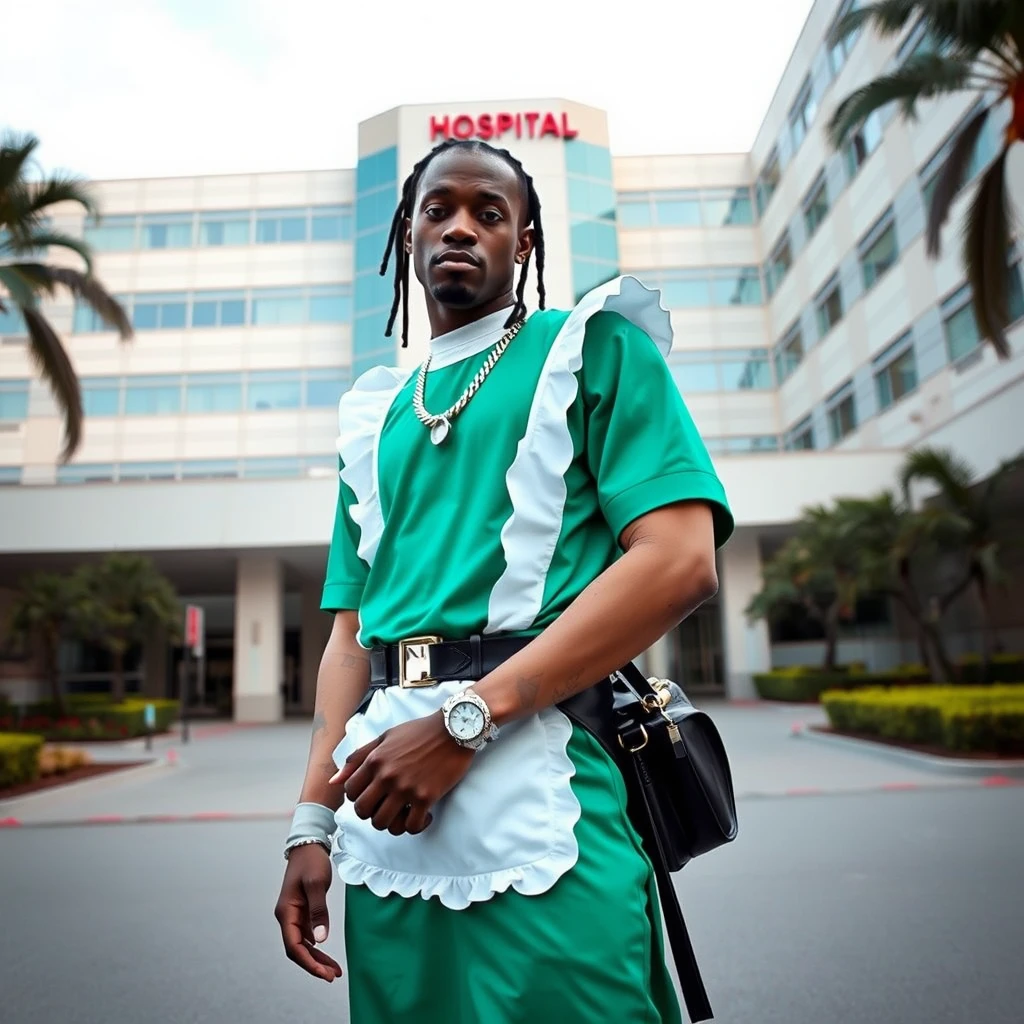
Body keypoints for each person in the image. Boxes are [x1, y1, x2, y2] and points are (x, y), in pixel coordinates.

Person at [274, 138, 734, 1023]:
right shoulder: (373, 414)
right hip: (382, 813)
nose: (460, 226)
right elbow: (348, 641)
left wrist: (464, 720)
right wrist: (311, 823)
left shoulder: (591, 346)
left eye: (490, 213)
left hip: (545, 787)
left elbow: (678, 562)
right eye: (437, 208)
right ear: (406, 232)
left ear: (524, 241)